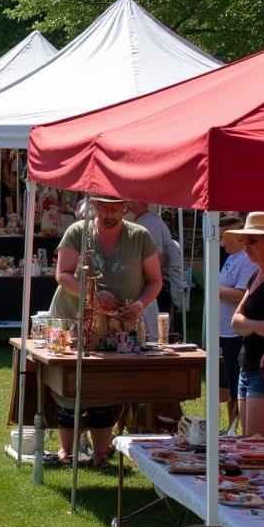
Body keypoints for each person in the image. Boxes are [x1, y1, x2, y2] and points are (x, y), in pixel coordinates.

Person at [49, 196, 162, 470]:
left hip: (116, 327)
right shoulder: (78, 232)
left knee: (106, 386)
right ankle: (67, 451)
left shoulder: (139, 236)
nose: (109, 214)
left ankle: (101, 456)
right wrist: (91, 294)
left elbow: (155, 281)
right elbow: (63, 275)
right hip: (75, 319)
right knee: (69, 384)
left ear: (125, 207)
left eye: (115, 208)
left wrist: (139, 304)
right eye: (103, 208)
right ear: (94, 207)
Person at [226, 213, 264, 438]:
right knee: (250, 448)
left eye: (252, 241)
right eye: (244, 241)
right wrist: (256, 325)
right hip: (248, 367)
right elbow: (235, 321)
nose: (245, 247)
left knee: (261, 450)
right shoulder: (256, 276)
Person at [218, 214, 254, 435]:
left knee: (235, 384)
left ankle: (234, 428)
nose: (221, 241)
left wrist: (215, 288)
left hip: (234, 333)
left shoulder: (246, 259)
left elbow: (241, 295)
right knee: (228, 383)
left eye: (224, 236)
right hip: (223, 330)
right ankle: (231, 427)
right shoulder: (231, 256)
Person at [128, 200, 184, 334]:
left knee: (159, 330)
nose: (127, 202)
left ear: (142, 203)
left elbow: (157, 259)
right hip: (152, 284)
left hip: (158, 286)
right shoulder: (146, 221)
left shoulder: (150, 223)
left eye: (131, 200)